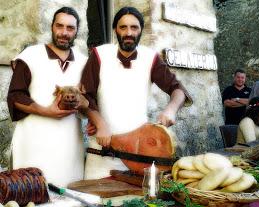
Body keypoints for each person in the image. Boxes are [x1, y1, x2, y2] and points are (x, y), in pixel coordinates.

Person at [81, 6, 192, 179]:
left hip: (140, 155)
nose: (129, 33)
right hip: (102, 150)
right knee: (95, 202)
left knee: (135, 203)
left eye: (134, 27)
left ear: (141, 30)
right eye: (123, 27)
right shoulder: (99, 54)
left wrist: (171, 109)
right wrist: (99, 122)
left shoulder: (151, 58)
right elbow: (85, 96)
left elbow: (178, 90)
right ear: (115, 29)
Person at [7, 7, 88, 187]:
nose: (64, 32)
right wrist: (45, 111)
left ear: (76, 31)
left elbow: (89, 102)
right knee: (29, 196)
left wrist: (85, 106)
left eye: (70, 28)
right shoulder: (30, 55)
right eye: (59, 26)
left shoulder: (84, 62)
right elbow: (15, 95)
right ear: (52, 27)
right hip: (33, 142)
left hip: (69, 146)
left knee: (70, 197)